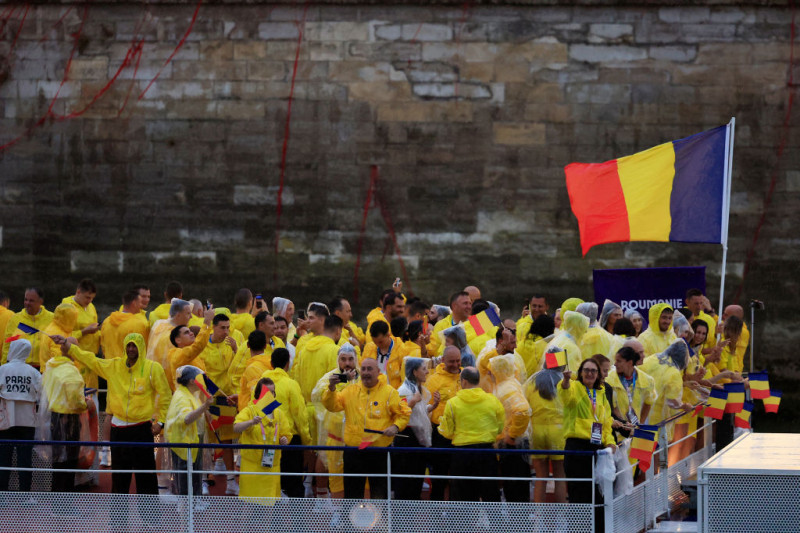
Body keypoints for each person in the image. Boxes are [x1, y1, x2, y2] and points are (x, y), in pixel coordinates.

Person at [62, 332, 171, 495]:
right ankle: (118, 519)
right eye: (128, 345)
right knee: (119, 476)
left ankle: (151, 519)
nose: (131, 349)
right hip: (118, 429)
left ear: (141, 347)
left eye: (134, 345)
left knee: (146, 476)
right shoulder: (114, 366)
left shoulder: (152, 368)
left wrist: (161, 422)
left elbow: (165, 396)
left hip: (141, 428)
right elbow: (91, 360)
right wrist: (69, 346)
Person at [322, 357, 410, 499]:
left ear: (378, 372)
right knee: (352, 493)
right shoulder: (350, 390)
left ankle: (380, 521)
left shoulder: (390, 392)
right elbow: (332, 406)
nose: (366, 372)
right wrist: (331, 388)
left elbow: (404, 413)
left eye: (370, 369)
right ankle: (348, 522)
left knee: (379, 493)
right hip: (353, 451)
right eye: (363, 369)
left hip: (379, 451)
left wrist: (395, 427)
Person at [560, 358, 616, 530]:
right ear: (580, 372)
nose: (590, 373)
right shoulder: (575, 387)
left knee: (596, 494)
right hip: (577, 447)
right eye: (586, 370)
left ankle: (599, 529)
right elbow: (565, 397)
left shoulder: (601, 393)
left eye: (593, 370)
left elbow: (606, 421)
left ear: (598, 374)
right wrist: (566, 381)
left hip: (596, 447)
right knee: (578, 493)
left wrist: (611, 442)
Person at [438, 366, 504, 502]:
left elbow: (447, 431)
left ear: (464, 382)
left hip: (462, 454)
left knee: (462, 498)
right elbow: (500, 427)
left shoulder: (452, 403)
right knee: (491, 495)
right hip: (487, 453)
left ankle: (463, 524)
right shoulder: (493, 400)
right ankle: (496, 523)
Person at [261, 347, 311, 498]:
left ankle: (274, 521)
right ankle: (298, 521)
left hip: (268, 439)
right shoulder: (291, 384)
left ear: (271, 362)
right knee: (294, 483)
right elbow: (300, 415)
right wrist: (307, 441)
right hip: (289, 440)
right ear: (287, 363)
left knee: (270, 484)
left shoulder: (261, 382)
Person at [310, 344, 360, 498]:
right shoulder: (330, 377)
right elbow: (316, 395)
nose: (347, 363)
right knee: (331, 468)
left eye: (350, 359)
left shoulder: (363, 377)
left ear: (356, 360)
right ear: (338, 360)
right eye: (343, 359)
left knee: (356, 474)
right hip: (334, 433)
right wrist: (333, 386)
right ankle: (326, 500)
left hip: (356, 435)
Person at [198, 313, 240, 494]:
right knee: (205, 441)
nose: (226, 331)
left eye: (228, 328)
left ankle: (231, 481)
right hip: (208, 400)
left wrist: (237, 351)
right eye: (222, 327)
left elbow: (239, 368)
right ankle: (203, 480)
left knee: (228, 441)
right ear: (213, 327)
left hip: (226, 399)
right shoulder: (202, 347)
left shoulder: (230, 344)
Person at [233, 378, 292, 501]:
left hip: (272, 466)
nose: (271, 395)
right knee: (248, 505)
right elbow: (236, 427)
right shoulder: (250, 411)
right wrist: (250, 422)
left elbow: (286, 434)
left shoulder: (279, 413)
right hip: (252, 468)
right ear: (259, 395)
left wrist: (284, 440)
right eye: (267, 393)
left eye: (273, 392)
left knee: (269, 505)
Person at [41, 340, 87, 493]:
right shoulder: (70, 371)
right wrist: (86, 404)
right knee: (70, 461)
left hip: (55, 417)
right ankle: (66, 501)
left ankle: (56, 499)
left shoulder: (51, 366)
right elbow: (76, 401)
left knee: (58, 460)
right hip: (69, 420)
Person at [165, 365, 214, 498]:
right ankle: (185, 511)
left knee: (194, 476)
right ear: (193, 381)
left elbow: (195, 413)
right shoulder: (182, 397)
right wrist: (205, 406)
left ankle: (193, 504)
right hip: (184, 444)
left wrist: (205, 411)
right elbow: (186, 418)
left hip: (193, 442)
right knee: (186, 481)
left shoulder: (191, 394)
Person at [0, 340, 42, 494]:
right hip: (27, 423)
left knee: (4, 459)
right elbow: (42, 394)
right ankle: (25, 494)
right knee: (25, 460)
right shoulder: (33, 372)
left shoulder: (2, 370)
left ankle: (2, 495)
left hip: (5, 422)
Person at [489, 353, 532, 503]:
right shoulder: (509, 383)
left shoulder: (506, 388)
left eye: (491, 370)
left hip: (513, 445)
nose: (489, 373)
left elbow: (522, 411)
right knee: (517, 489)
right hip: (513, 443)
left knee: (515, 490)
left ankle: (519, 524)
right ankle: (519, 523)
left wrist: (511, 436)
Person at [394, 357, 437, 500]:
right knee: (407, 478)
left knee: (417, 476)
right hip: (408, 437)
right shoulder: (403, 390)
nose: (427, 372)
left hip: (418, 438)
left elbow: (421, 410)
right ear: (415, 372)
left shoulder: (418, 389)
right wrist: (412, 401)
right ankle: (403, 512)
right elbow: (399, 412)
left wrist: (433, 406)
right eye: (424, 369)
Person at [525, 365, 567, 503]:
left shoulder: (532, 381)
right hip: (558, 431)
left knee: (540, 476)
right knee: (559, 475)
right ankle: (561, 518)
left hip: (537, 431)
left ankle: (539, 519)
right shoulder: (564, 381)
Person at [425, 345, 462, 500]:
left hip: (461, 434)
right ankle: (436, 513)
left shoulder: (466, 375)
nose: (455, 364)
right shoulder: (434, 380)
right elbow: (427, 407)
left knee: (459, 478)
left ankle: (458, 515)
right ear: (443, 360)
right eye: (451, 361)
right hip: (440, 435)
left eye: (458, 361)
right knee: (439, 477)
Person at [639, 340, 694, 442]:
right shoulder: (674, 373)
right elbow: (672, 401)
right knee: (656, 449)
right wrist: (683, 406)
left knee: (639, 447)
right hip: (657, 417)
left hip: (639, 409)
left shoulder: (653, 358)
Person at [606, 347, 656, 434]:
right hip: (617, 430)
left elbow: (649, 402)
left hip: (634, 429)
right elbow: (613, 408)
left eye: (619, 361)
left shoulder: (647, 380)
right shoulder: (608, 380)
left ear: (630, 363)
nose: (615, 364)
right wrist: (624, 426)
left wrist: (640, 424)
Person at [292, 314, 341, 402]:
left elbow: (296, 378)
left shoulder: (304, 349)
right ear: (338, 331)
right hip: (326, 409)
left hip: (306, 409)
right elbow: (338, 382)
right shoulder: (335, 350)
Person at [2, 288, 54, 367]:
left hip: (44, 367)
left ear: (40, 302)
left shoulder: (52, 318)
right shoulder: (15, 319)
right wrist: (4, 366)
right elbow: (7, 345)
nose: (27, 303)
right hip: (20, 367)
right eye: (26, 300)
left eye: (31, 301)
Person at [167, 306, 215, 390]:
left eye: (190, 331)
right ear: (178, 340)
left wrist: (212, 395)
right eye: (186, 333)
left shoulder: (195, 357)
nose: (191, 333)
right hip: (186, 401)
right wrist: (207, 321)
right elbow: (198, 346)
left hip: (199, 401)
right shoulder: (176, 355)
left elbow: (203, 378)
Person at [147, 298, 193, 375]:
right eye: (188, 313)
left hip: (152, 373)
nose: (191, 317)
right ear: (178, 315)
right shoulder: (176, 334)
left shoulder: (159, 324)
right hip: (167, 379)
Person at [101, 289, 150, 360]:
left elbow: (103, 346)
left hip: (109, 366)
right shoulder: (137, 324)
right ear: (134, 303)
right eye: (140, 303)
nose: (141, 306)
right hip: (127, 367)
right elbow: (143, 349)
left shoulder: (106, 321)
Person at [237, 334, 278, 411]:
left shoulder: (253, 368)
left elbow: (256, 395)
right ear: (266, 346)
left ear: (248, 345)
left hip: (254, 416)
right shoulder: (272, 363)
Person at [428, 291, 472, 356]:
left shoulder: (477, 322)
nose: (469, 307)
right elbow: (434, 352)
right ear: (454, 305)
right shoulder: (441, 325)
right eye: (465, 303)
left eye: (470, 303)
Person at [361, 320, 404, 387]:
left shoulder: (402, 350)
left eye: (381, 342)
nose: (378, 345)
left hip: (394, 393)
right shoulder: (369, 348)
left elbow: (405, 379)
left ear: (388, 334)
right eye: (375, 342)